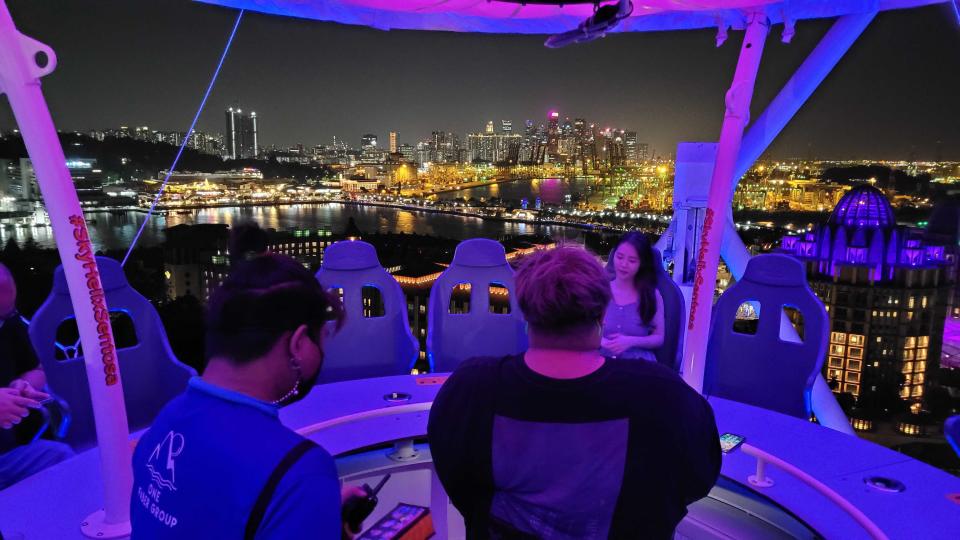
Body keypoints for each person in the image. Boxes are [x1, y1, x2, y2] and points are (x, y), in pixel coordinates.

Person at [428, 246, 720, 539]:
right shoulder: (662, 394)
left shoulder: (472, 387)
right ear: (601, 313)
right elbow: (697, 477)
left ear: (526, 312)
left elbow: (460, 484)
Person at [130, 252, 360, 538]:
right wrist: (313, 505)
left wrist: (313, 514)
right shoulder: (302, 474)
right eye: (321, 339)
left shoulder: (164, 423)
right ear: (299, 344)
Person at [0, 263, 74, 490]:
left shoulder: (8, 323)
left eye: (6, 313)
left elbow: (39, 371)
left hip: (6, 458)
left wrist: (23, 384)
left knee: (61, 458)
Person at [600, 231, 664, 362]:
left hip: (638, 364)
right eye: (619, 257)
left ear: (642, 263)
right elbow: (585, 329)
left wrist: (630, 341)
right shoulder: (600, 290)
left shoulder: (652, 296)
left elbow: (659, 337)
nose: (623, 264)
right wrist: (602, 342)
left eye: (632, 260)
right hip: (603, 361)